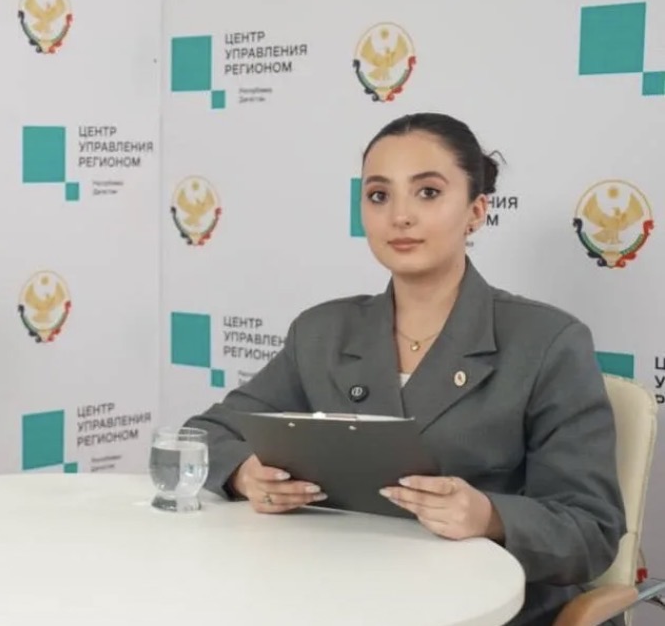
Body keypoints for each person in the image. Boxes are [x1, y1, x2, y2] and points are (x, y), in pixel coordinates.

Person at [184, 112, 625, 626]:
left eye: (428, 193)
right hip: (337, 598)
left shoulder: (548, 341)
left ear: (477, 211)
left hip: (487, 612)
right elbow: (204, 435)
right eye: (378, 195)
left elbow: (591, 529)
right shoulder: (322, 332)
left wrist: (489, 516)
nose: (400, 216)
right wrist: (244, 474)